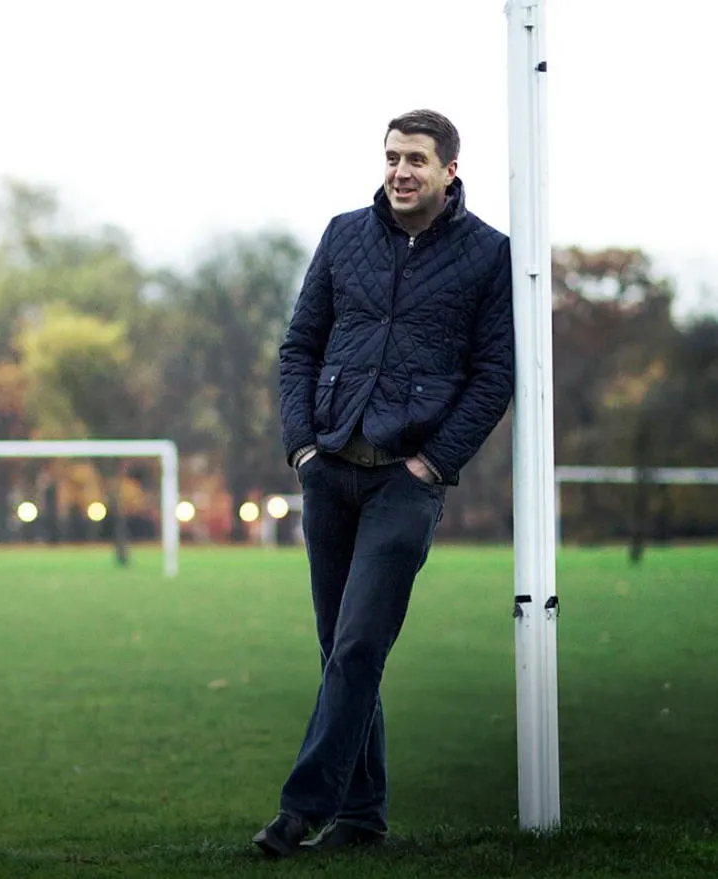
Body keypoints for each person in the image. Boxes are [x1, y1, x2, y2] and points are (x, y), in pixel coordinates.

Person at [253, 109, 515, 857]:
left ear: (449, 171)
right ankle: (363, 816)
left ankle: (300, 808)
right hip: (331, 470)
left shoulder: (489, 255)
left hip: (407, 482)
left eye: (418, 160)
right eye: (393, 156)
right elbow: (299, 344)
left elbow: (494, 374)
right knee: (338, 647)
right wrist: (302, 446)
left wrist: (434, 463)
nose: (401, 171)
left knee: (361, 642)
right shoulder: (343, 235)